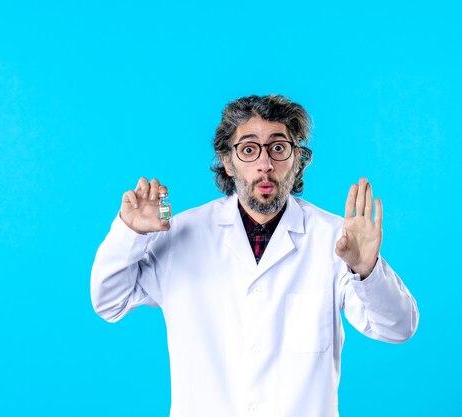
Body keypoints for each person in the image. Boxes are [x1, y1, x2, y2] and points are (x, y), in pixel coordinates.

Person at [90, 94, 419, 417]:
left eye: (278, 148)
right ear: (228, 163)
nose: (265, 164)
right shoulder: (181, 234)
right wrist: (131, 234)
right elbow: (109, 302)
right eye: (249, 149)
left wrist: (366, 269)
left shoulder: (335, 239)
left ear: (298, 159)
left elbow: (398, 327)